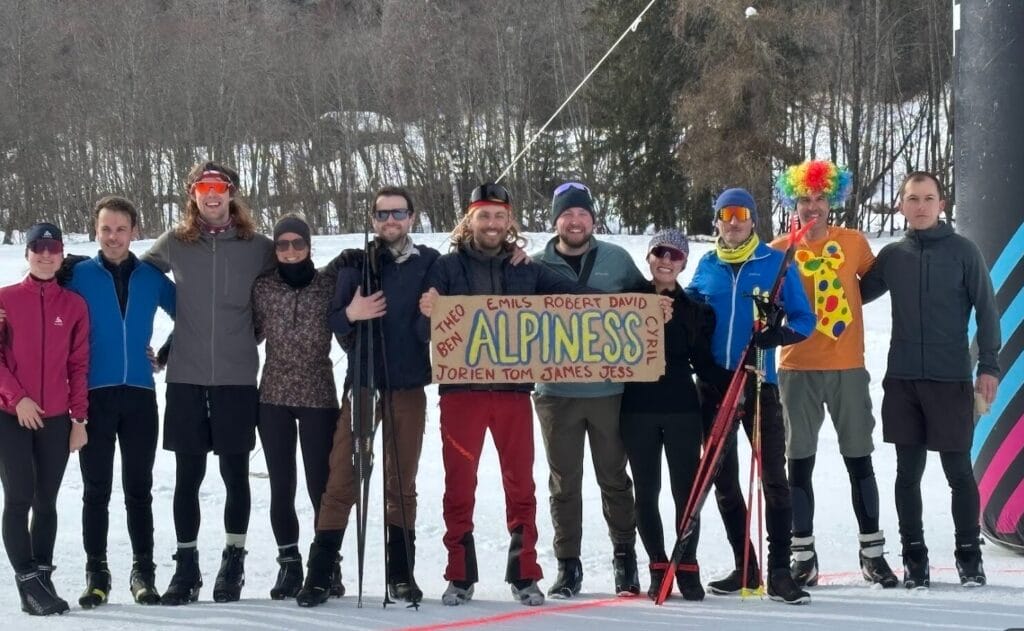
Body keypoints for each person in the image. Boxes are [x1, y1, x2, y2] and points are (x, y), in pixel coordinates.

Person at [419, 182, 588, 608]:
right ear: (469, 219)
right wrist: (428, 311)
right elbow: (425, 329)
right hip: (461, 396)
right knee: (459, 485)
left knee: (520, 484)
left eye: (499, 216)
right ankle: (459, 574)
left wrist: (641, 304)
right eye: (483, 216)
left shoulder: (525, 267)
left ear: (509, 220)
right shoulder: (446, 266)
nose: (492, 224)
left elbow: (578, 302)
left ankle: (524, 571)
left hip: (513, 393)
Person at [142, 161, 275, 605]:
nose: (212, 194)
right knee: (188, 477)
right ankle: (186, 566)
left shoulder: (258, 247)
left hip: (237, 377)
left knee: (236, 475)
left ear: (232, 193)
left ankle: (233, 560)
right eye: (203, 187)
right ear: (193, 194)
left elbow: (293, 278)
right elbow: (134, 279)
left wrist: (256, 329)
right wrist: (146, 342)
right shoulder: (176, 244)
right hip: (186, 377)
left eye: (219, 187)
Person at [860, 171, 1000, 589]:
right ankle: (914, 558)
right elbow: (851, 295)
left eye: (928, 198)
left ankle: (968, 557)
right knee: (908, 474)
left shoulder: (964, 251)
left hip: (950, 378)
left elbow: (987, 311)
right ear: (901, 205)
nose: (920, 206)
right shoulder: (892, 256)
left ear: (942, 204)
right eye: (912, 199)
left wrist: (988, 366)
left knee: (958, 471)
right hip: (903, 381)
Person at [306, 186, 440, 606]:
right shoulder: (356, 264)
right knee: (342, 478)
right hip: (363, 385)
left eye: (397, 213)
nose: (390, 221)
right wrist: (351, 314)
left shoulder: (430, 263)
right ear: (373, 220)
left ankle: (401, 573)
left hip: (408, 384)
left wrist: (432, 312)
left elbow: (434, 329)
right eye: (382, 215)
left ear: (412, 218)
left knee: (401, 482)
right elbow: (334, 322)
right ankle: (320, 572)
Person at [771, 160, 898, 588]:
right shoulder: (778, 250)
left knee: (859, 459)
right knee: (799, 464)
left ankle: (873, 554)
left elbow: (874, 282)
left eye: (820, 198)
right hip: (797, 368)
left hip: (846, 366)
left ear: (832, 200)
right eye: (804, 199)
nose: (812, 207)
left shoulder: (854, 242)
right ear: (794, 202)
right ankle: (803, 554)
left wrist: (849, 305)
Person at [686, 188, 815, 605]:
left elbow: (805, 319)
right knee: (722, 480)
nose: (734, 221)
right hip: (715, 385)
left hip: (760, 382)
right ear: (717, 221)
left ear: (753, 220)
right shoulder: (706, 266)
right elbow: (689, 315)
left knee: (773, 479)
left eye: (742, 213)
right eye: (726, 214)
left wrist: (776, 333)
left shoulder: (775, 263)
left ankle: (779, 571)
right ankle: (747, 567)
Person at [61, 197, 177, 607]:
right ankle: (97, 573)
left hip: (141, 397)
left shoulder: (151, 277)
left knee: (139, 489)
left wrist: (165, 352)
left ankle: (142, 572)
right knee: (95, 490)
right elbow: (42, 305)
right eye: (106, 229)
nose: (113, 237)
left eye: (121, 229)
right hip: (93, 396)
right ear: (96, 230)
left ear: (134, 231)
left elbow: (194, 315)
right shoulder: (77, 275)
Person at [531, 182, 644, 598]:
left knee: (614, 477)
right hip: (554, 392)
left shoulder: (616, 259)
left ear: (592, 219)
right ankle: (568, 564)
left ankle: (624, 559)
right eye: (567, 214)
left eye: (582, 214)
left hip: (609, 392)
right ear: (556, 220)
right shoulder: (535, 262)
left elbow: (642, 306)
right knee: (564, 482)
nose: (574, 221)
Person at [620, 229, 717, 601]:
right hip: (637, 409)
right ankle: (658, 562)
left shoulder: (695, 310)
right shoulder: (626, 302)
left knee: (685, 492)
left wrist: (741, 373)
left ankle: (686, 560)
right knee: (646, 489)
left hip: (681, 409)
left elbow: (705, 363)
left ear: (684, 263)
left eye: (675, 255)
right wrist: (643, 313)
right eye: (659, 252)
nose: (666, 260)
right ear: (648, 257)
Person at [251, 214, 341, 602]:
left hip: (319, 393)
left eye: (297, 243)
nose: (290, 251)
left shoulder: (328, 285)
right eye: (282, 244)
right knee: (281, 483)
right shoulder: (263, 288)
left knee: (321, 484)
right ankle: (289, 563)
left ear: (309, 245)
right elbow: (245, 331)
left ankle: (327, 564)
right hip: (273, 396)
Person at [0, 223, 89, 615]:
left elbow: (78, 365)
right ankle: (27, 583)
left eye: (53, 248)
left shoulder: (73, 306)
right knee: (19, 498)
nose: (46, 254)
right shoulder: (4, 300)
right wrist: (17, 399)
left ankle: (43, 577)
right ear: (27, 252)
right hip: (10, 415)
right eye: (38, 246)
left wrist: (79, 420)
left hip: (55, 418)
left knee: (46, 501)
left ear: (61, 254)